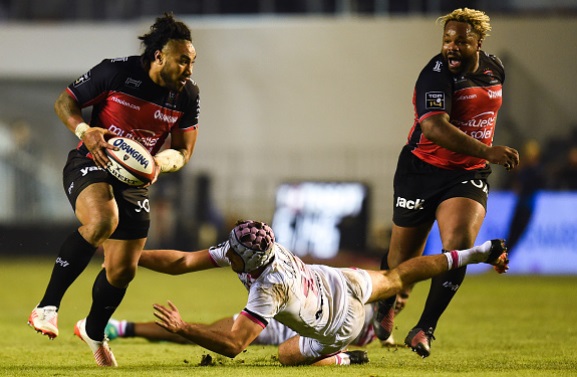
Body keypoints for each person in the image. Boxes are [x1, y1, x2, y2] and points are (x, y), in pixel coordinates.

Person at [27, 13, 201, 367]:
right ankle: (47, 306)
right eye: (183, 60)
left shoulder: (187, 96)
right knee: (103, 220)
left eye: (193, 61)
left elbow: (183, 151)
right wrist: (84, 131)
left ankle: (93, 329)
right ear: (159, 57)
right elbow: (64, 103)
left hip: (135, 182)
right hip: (91, 163)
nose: (189, 69)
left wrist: (160, 164)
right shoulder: (116, 72)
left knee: (123, 269)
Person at [138, 220, 508, 366]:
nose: (225, 252)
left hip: (338, 324)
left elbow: (235, 345)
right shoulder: (256, 245)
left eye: (232, 252)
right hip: (338, 281)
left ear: (249, 259)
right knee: (395, 277)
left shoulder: (269, 287)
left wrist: (184, 328)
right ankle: (474, 254)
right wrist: (132, 256)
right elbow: (184, 261)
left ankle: (347, 359)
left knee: (283, 355)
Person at [373, 7, 520, 358]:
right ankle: (385, 305)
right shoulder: (434, 76)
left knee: (458, 247)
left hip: (467, 174)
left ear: (478, 43)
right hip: (421, 171)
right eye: (447, 40)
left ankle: (424, 329)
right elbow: (434, 128)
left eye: (461, 41)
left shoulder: (494, 68)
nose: (451, 47)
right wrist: (489, 150)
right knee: (400, 261)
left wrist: (481, 156)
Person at [104, 303, 378, 347]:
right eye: (400, 296)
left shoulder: (372, 322)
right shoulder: (362, 306)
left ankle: (121, 328)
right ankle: (120, 328)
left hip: (270, 325)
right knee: (190, 332)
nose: (402, 302)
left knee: (191, 332)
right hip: (265, 325)